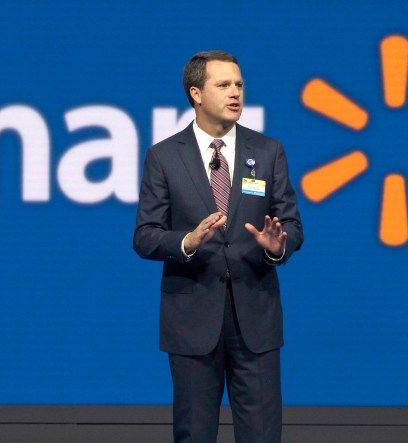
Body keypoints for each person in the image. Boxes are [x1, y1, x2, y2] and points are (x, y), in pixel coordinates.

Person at [133, 50, 303, 443]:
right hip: (191, 319)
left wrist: (277, 247)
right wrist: (187, 241)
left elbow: (293, 225)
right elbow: (145, 235)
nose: (235, 93)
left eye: (239, 84)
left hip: (256, 319)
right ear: (196, 93)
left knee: (262, 435)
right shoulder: (164, 157)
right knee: (194, 434)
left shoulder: (268, 151)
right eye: (223, 85)